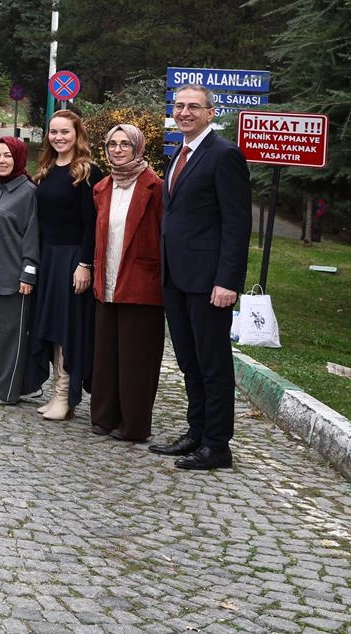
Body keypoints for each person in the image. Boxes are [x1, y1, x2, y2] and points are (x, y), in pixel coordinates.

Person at [150, 86, 249, 471]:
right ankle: (196, 432)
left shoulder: (224, 155)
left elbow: (236, 225)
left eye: (194, 106)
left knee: (213, 364)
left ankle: (217, 445)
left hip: (209, 281)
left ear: (211, 113)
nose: (185, 112)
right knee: (189, 361)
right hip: (176, 277)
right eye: (179, 106)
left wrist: (228, 281)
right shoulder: (180, 153)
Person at [91, 123, 165, 443]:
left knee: (137, 358)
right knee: (106, 353)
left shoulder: (155, 187)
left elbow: (165, 235)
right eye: (112, 144)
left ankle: (134, 425)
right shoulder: (102, 188)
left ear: (138, 148)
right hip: (107, 279)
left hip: (141, 284)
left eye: (125, 144)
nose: (118, 149)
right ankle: (104, 417)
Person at [29, 110, 102, 421]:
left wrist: (85, 263)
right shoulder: (46, 169)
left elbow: (91, 223)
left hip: (72, 259)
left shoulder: (86, 171)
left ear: (77, 135)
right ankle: (56, 389)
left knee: (66, 326)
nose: (58, 137)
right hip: (48, 257)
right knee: (50, 326)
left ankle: (65, 394)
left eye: (65, 132)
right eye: (54, 132)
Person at [0, 137, 39, 406]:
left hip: (16, 278)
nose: (1, 161)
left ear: (19, 158)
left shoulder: (28, 192)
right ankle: (25, 386)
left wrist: (28, 273)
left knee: (12, 336)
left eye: (7, 156)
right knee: (3, 334)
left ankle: (4, 391)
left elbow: (33, 234)